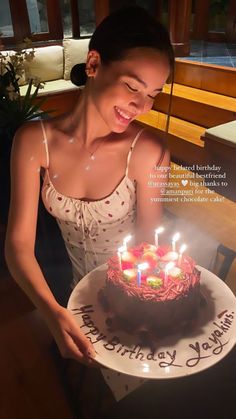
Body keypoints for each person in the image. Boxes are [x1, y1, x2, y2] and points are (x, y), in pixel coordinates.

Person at [5, 4, 174, 403]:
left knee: (147, 399)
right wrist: (51, 311)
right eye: (133, 87)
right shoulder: (32, 142)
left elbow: (151, 245)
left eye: (153, 95)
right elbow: (17, 246)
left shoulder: (147, 150)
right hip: (69, 295)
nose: (142, 106)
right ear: (94, 63)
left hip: (133, 296)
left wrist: (136, 308)